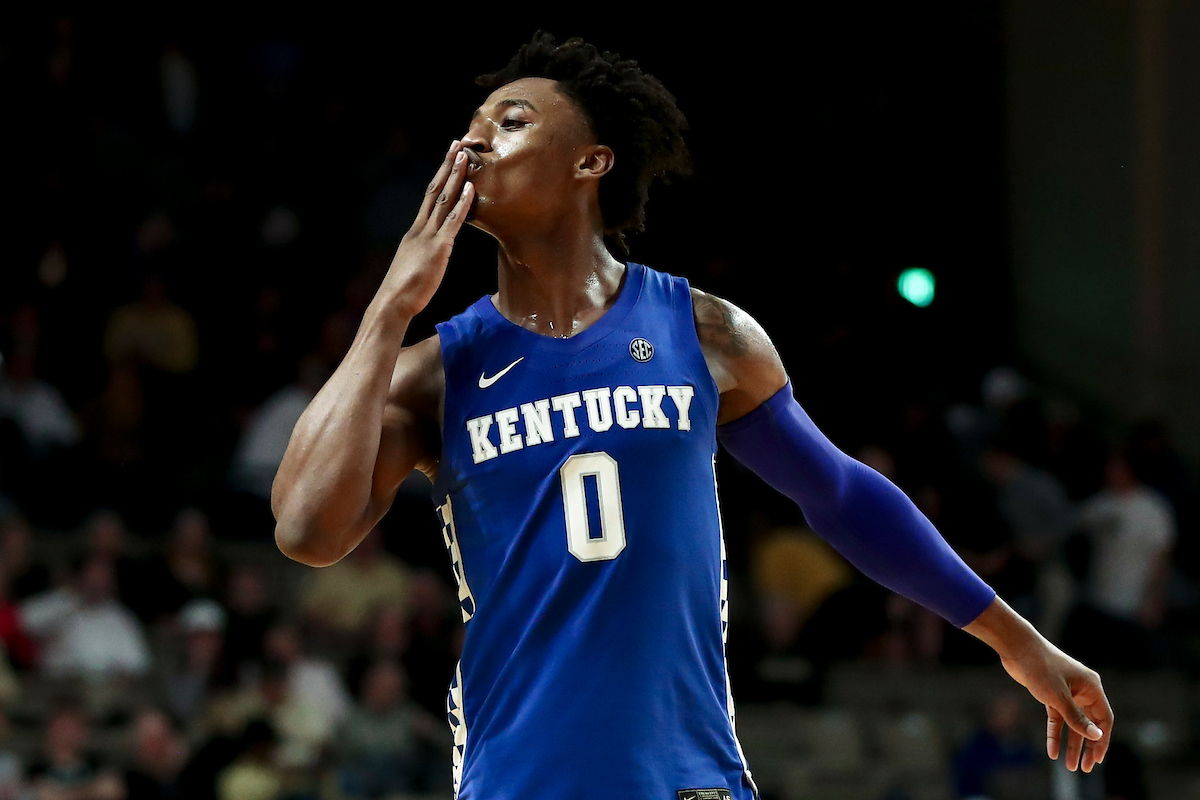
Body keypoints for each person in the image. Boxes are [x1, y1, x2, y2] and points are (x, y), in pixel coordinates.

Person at [272, 33, 1113, 799]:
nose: (473, 141)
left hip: (689, 779)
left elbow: (843, 497)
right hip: (517, 779)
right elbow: (308, 531)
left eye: (512, 120)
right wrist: (390, 307)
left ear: (590, 161)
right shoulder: (435, 373)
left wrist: (1016, 640)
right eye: (472, 123)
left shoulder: (704, 332)